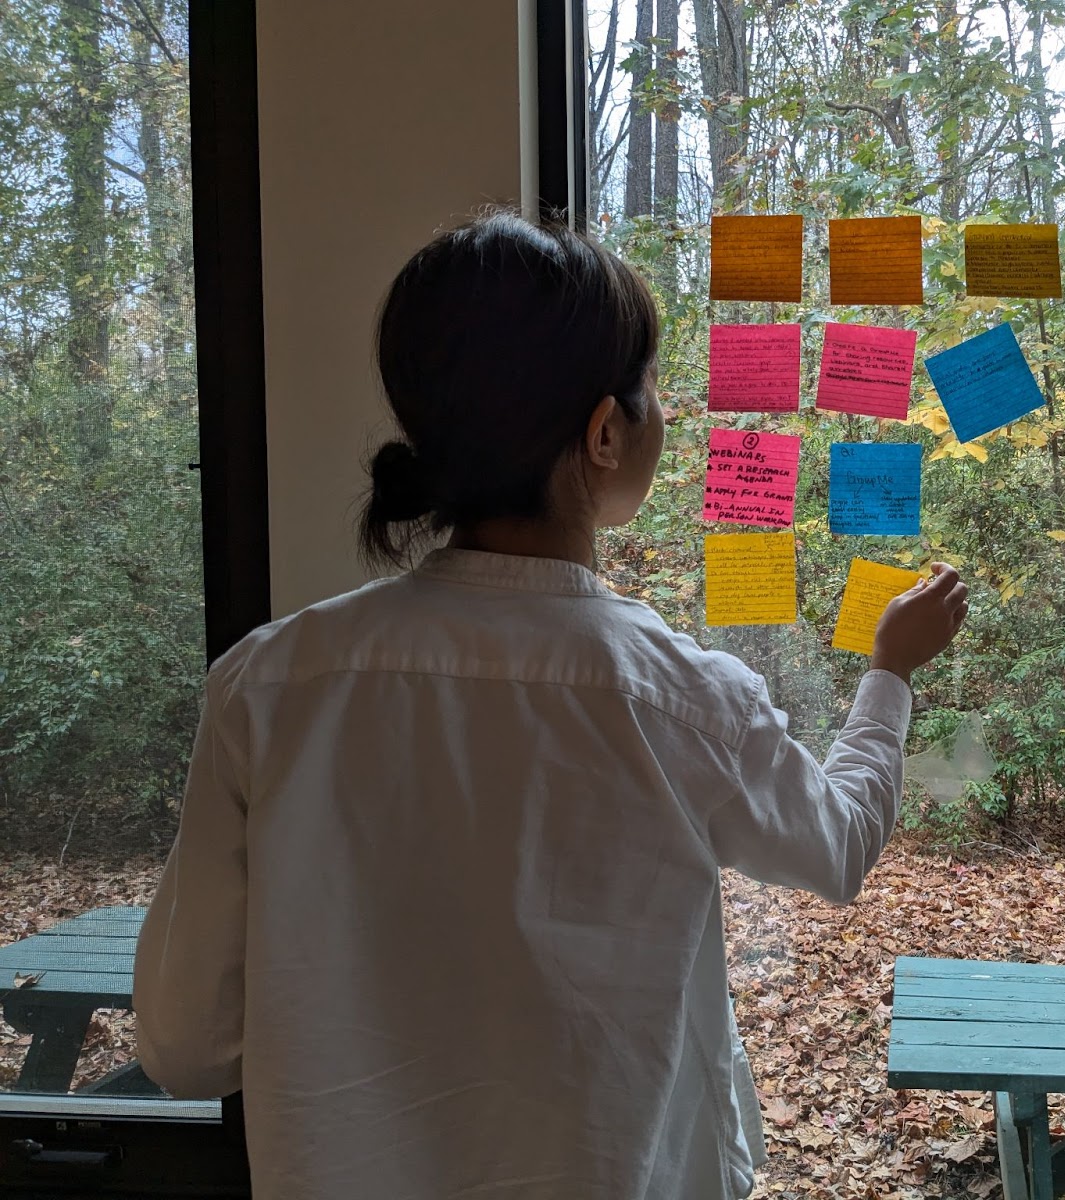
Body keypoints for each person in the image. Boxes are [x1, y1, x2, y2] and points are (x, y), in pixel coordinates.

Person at [133, 213, 967, 1200]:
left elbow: (184, 1048)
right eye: (653, 389)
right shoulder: (683, 700)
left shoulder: (268, 686)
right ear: (604, 433)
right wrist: (891, 673)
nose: (667, 415)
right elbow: (835, 844)